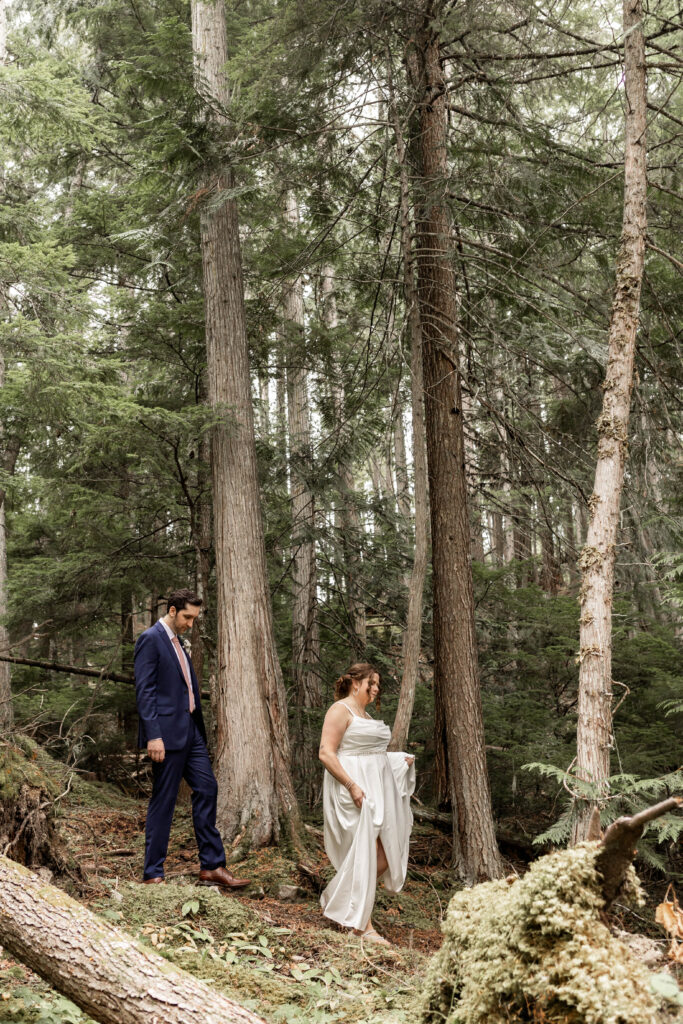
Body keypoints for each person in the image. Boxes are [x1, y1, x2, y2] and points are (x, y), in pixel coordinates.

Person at [134, 588, 249, 889]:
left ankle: (212, 866)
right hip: (166, 736)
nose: (190, 624)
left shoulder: (179, 643)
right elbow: (145, 692)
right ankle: (152, 873)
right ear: (172, 611)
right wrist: (153, 736)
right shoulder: (151, 639)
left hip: (192, 732)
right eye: (187, 617)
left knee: (208, 788)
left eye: (194, 618)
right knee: (165, 801)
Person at [318, 663, 415, 945]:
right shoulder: (340, 710)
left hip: (373, 790)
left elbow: (373, 755)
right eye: (371, 683)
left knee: (384, 852)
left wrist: (399, 760)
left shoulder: (364, 714)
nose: (375, 689)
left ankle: (340, 902)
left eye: (377, 685)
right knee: (367, 851)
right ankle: (362, 927)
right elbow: (326, 752)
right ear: (354, 682)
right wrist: (352, 786)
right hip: (351, 790)